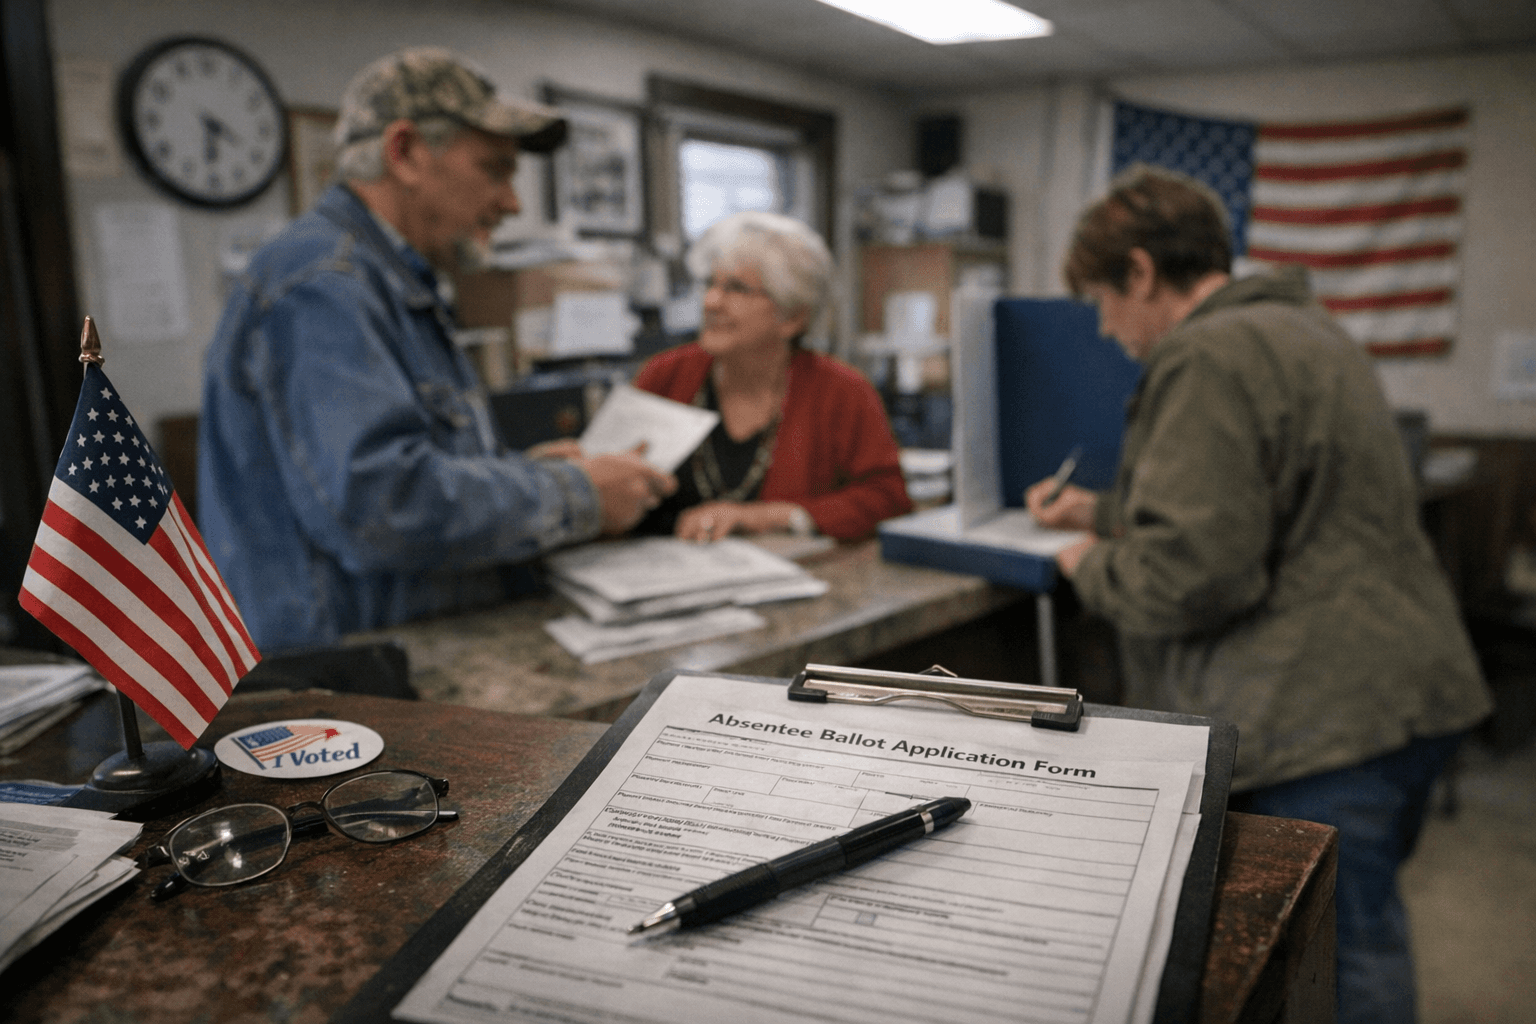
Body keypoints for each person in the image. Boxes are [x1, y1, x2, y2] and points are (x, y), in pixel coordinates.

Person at [1025, 165, 1493, 1024]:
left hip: (1320, 716)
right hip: (1406, 689)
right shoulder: (1305, 330)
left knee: (1340, 962)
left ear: (1139, 270)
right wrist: (1110, 508)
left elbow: (1192, 577)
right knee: (1366, 931)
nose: (1103, 326)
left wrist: (1084, 558)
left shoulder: (1205, 353)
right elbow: (1267, 495)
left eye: (1101, 297)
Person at [199, 48, 674, 652]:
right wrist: (577, 495)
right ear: (405, 152)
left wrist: (524, 475)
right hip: (347, 684)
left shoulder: (392, 279)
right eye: (495, 169)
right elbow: (378, 508)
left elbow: (405, 465)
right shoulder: (324, 284)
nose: (513, 203)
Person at [632, 212, 911, 542]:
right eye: (710, 284)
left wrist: (768, 517)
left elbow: (888, 499)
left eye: (736, 288)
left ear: (792, 317)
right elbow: (607, 487)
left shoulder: (843, 391)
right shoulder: (664, 376)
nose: (711, 301)